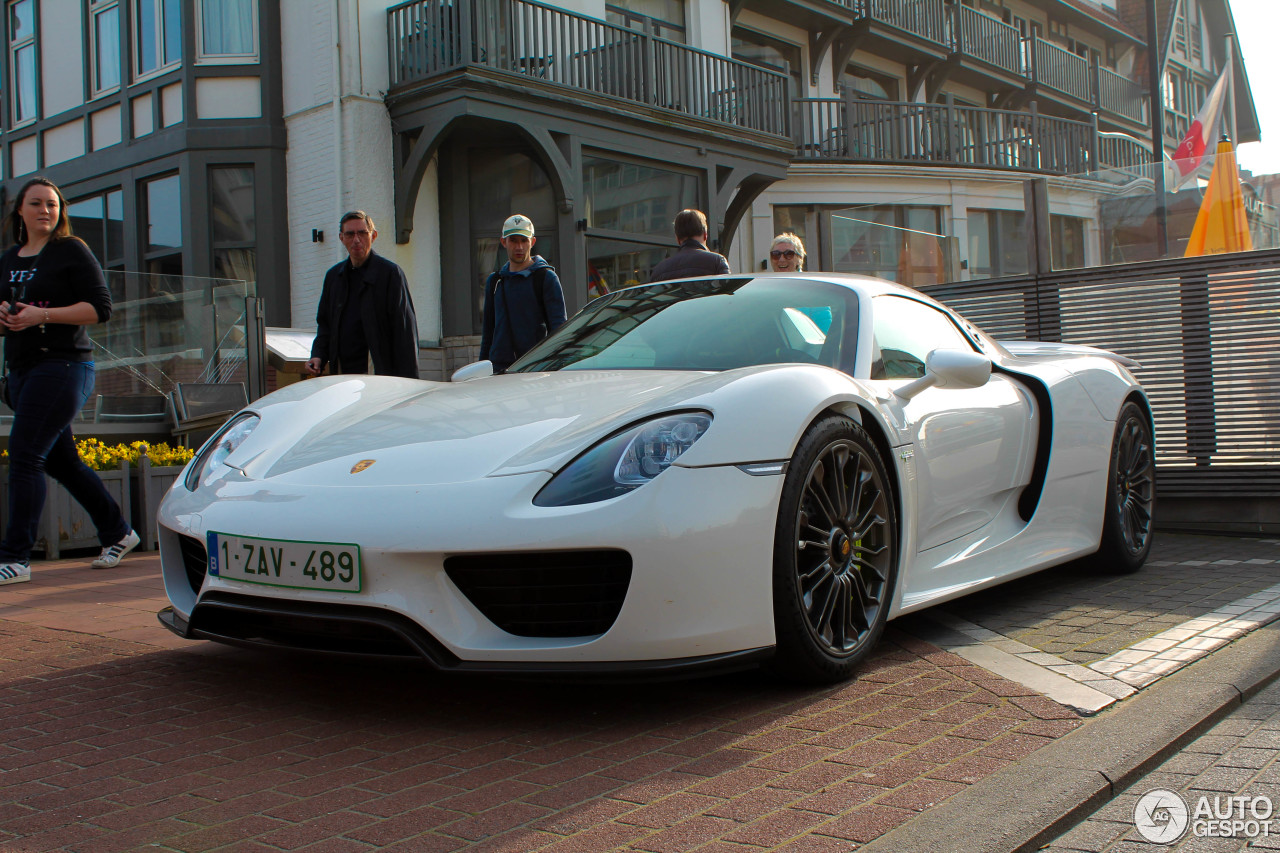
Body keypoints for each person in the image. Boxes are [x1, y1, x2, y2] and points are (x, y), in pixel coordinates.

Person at [0, 177, 139, 585]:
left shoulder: (71, 250)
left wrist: (41, 315)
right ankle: (118, 531)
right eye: (37, 203)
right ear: (20, 211)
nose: (46, 210)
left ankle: (15, 558)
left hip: (62, 367)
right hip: (21, 371)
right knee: (63, 461)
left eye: (53, 204)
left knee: (25, 456)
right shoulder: (8, 259)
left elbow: (100, 308)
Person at [306, 210, 420, 379]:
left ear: (373, 236)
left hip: (378, 374)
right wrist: (318, 355)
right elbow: (325, 324)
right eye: (350, 234)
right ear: (341, 238)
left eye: (362, 233)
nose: (356, 240)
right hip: (342, 373)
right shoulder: (334, 277)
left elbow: (404, 332)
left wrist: (409, 384)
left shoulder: (390, 274)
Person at [479, 214, 567, 373]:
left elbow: (559, 331)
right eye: (513, 240)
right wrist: (481, 370)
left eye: (523, 240)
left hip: (535, 370)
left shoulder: (546, 278)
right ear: (503, 242)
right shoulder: (495, 281)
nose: (519, 247)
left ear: (532, 242)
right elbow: (488, 333)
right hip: (498, 371)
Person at [649, 209, 731, 282]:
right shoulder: (717, 261)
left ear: (677, 239)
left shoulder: (659, 270)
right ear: (705, 235)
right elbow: (727, 294)